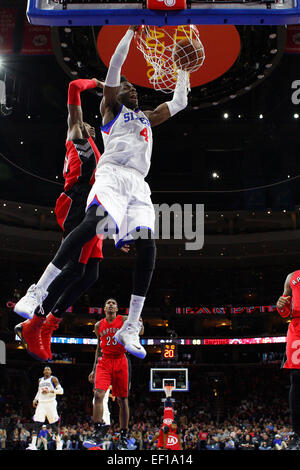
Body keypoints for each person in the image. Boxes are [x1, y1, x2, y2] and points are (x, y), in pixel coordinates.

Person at [13, 25, 190, 360]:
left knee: (148, 247)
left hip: (138, 183)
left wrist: (182, 69)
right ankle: (38, 291)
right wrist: (130, 33)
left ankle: (131, 325)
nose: (132, 90)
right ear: (114, 94)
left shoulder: (148, 119)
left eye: (135, 89)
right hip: (112, 174)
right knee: (92, 222)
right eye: (127, 87)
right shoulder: (111, 112)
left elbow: (179, 102)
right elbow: (115, 66)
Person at [14, 77, 105, 362]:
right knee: (73, 269)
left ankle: (47, 324)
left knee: (90, 274)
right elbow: (73, 88)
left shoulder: (97, 146)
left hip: (94, 206)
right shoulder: (76, 134)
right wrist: (96, 82)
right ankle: (35, 322)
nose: (90, 125)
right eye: (86, 122)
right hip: (76, 199)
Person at [83, 298, 143, 449]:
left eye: (113, 303)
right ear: (104, 308)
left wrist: (139, 323)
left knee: (122, 401)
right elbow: (98, 347)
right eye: (108, 303)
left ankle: (123, 434)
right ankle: (98, 431)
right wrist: (93, 368)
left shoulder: (123, 319)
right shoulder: (98, 325)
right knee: (98, 395)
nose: (110, 304)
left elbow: (140, 331)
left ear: (117, 309)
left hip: (121, 360)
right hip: (104, 361)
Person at [276, 270, 300, 450]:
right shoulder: (292, 277)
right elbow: (284, 312)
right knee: (297, 379)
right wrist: (281, 304)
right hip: (298, 330)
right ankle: (298, 434)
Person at [26, 366, 63, 450]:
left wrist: (50, 391)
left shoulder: (54, 379)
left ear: (51, 372)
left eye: (48, 369)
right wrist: (35, 399)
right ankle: (33, 445)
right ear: (43, 372)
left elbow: (61, 391)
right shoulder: (40, 380)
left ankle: (59, 443)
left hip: (51, 403)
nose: (47, 370)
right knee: (37, 424)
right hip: (41, 404)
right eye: (45, 369)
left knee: (53, 425)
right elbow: (39, 391)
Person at [149, 385, 176, 450]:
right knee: (168, 399)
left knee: (168, 399)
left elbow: (157, 434)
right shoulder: (172, 430)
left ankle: (168, 391)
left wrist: (152, 442)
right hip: (169, 412)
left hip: (168, 412)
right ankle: (168, 391)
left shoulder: (163, 430)